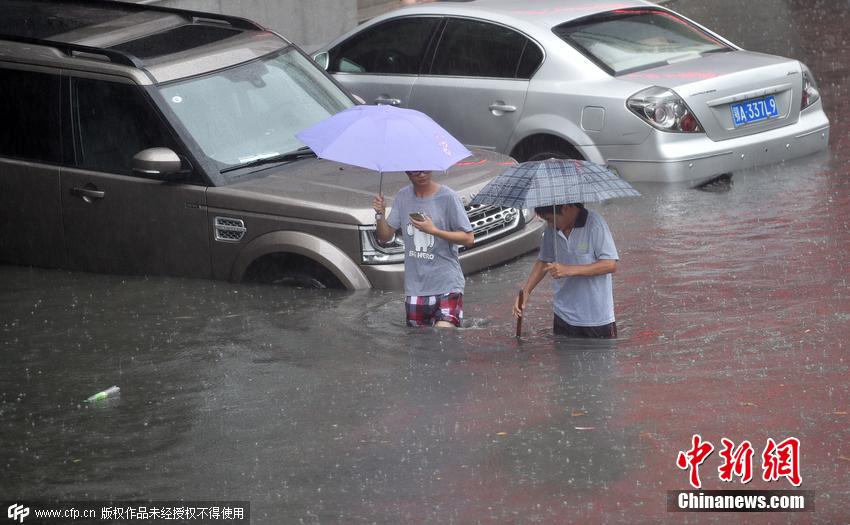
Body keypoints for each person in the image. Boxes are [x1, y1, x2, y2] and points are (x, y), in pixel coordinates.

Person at [373, 170, 474, 328]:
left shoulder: (448, 197)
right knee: (420, 345)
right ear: (407, 172)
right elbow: (384, 237)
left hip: (448, 284)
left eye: (425, 169)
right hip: (416, 288)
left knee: (444, 335)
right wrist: (380, 214)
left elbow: (469, 238)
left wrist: (434, 231)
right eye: (415, 172)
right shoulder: (402, 197)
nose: (421, 175)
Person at [513, 203, 619, 338]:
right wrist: (526, 291)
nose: (550, 224)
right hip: (563, 316)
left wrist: (568, 270)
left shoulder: (595, 224)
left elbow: (609, 264)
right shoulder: (552, 229)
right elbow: (544, 260)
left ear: (566, 208)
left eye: (551, 219)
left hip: (596, 318)